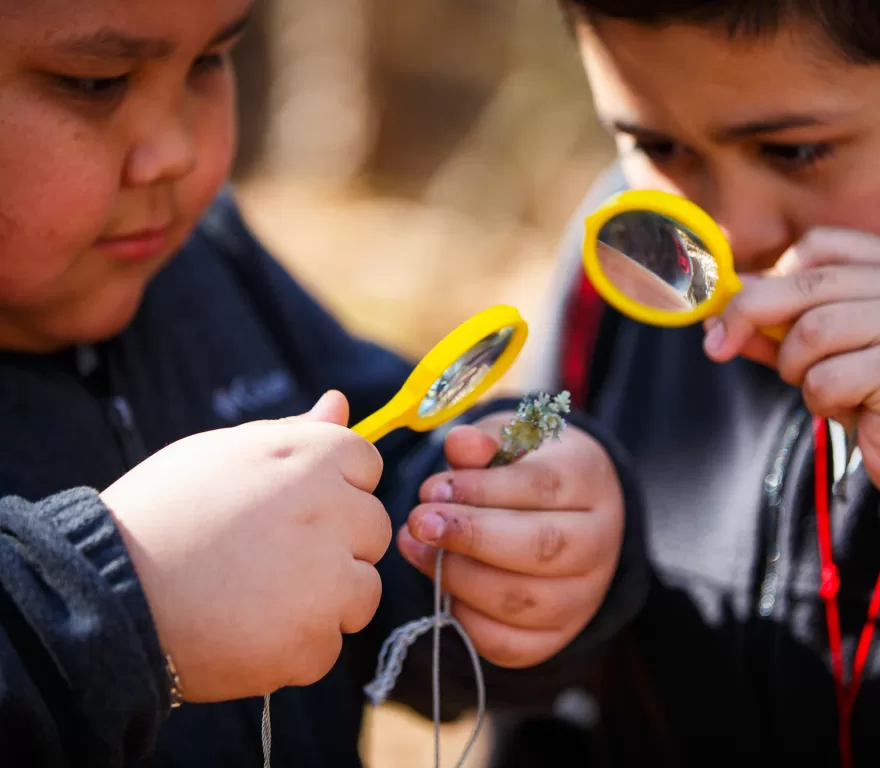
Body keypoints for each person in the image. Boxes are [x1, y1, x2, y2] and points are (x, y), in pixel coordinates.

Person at [0, 1, 647, 765]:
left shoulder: (209, 264)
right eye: (94, 82)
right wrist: (105, 606)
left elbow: (402, 475)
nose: (174, 150)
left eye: (209, 61)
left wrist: (502, 545)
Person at [490, 0, 880, 765]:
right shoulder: (620, 263)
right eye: (658, 145)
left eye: (796, 150)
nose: (729, 238)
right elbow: (547, 710)